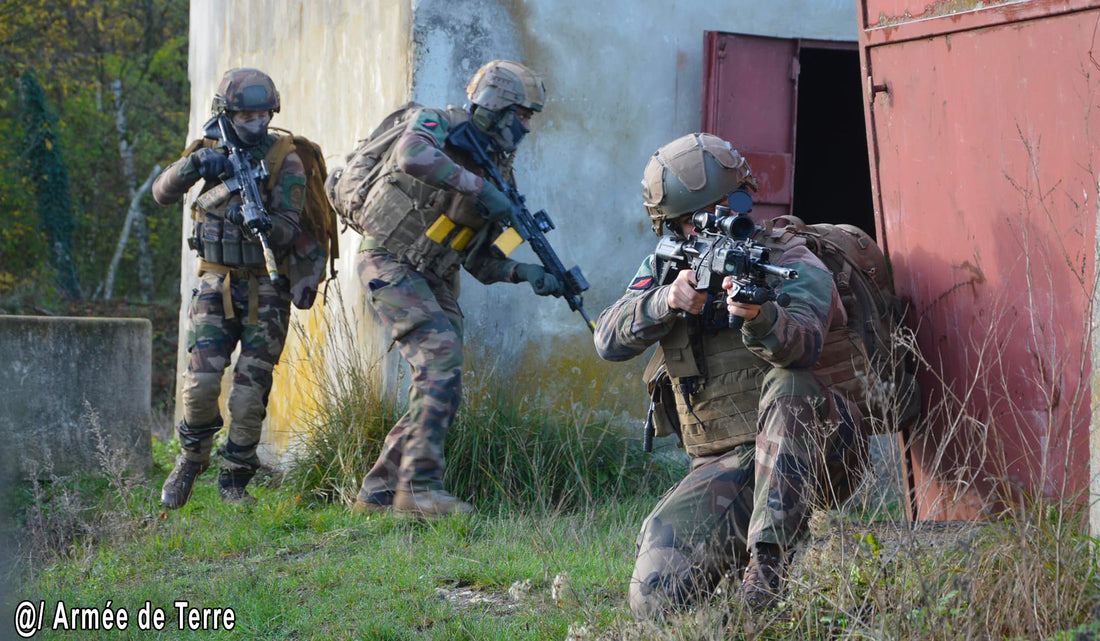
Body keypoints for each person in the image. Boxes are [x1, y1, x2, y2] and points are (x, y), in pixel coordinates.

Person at [594, 133, 869, 617]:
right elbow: (607, 339)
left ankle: (766, 576)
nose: (718, 223)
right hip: (730, 463)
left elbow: (802, 347)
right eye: (697, 219)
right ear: (672, 228)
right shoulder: (665, 268)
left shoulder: (788, 260)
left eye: (732, 205)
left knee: (789, 381)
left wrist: (761, 317)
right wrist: (667, 301)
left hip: (823, 446)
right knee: (654, 600)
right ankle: (735, 595)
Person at [349, 60, 564, 518]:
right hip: (389, 258)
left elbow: (481, 259)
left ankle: (379, 493)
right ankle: (419, 488)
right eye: (522, 114)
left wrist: (526, 272)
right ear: (494, 106)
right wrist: (480, 189)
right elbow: (411, 155)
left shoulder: (502, 172)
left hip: (434, 274)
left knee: (442, 378)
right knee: (440, 359)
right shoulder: (439, 123)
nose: (526, 126)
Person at [154, 68, 306, 508]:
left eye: (263, 115)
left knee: (248, 393)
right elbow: (161, 193)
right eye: (246, 117)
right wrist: (196, 166)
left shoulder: (285, 157)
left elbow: (291, 229)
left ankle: (235, 479)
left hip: (267, 288)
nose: (255, 125)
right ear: (226, 114)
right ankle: (189, 460)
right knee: (199, 385)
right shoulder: (208, 151)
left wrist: (260, 222)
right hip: (215, 285)